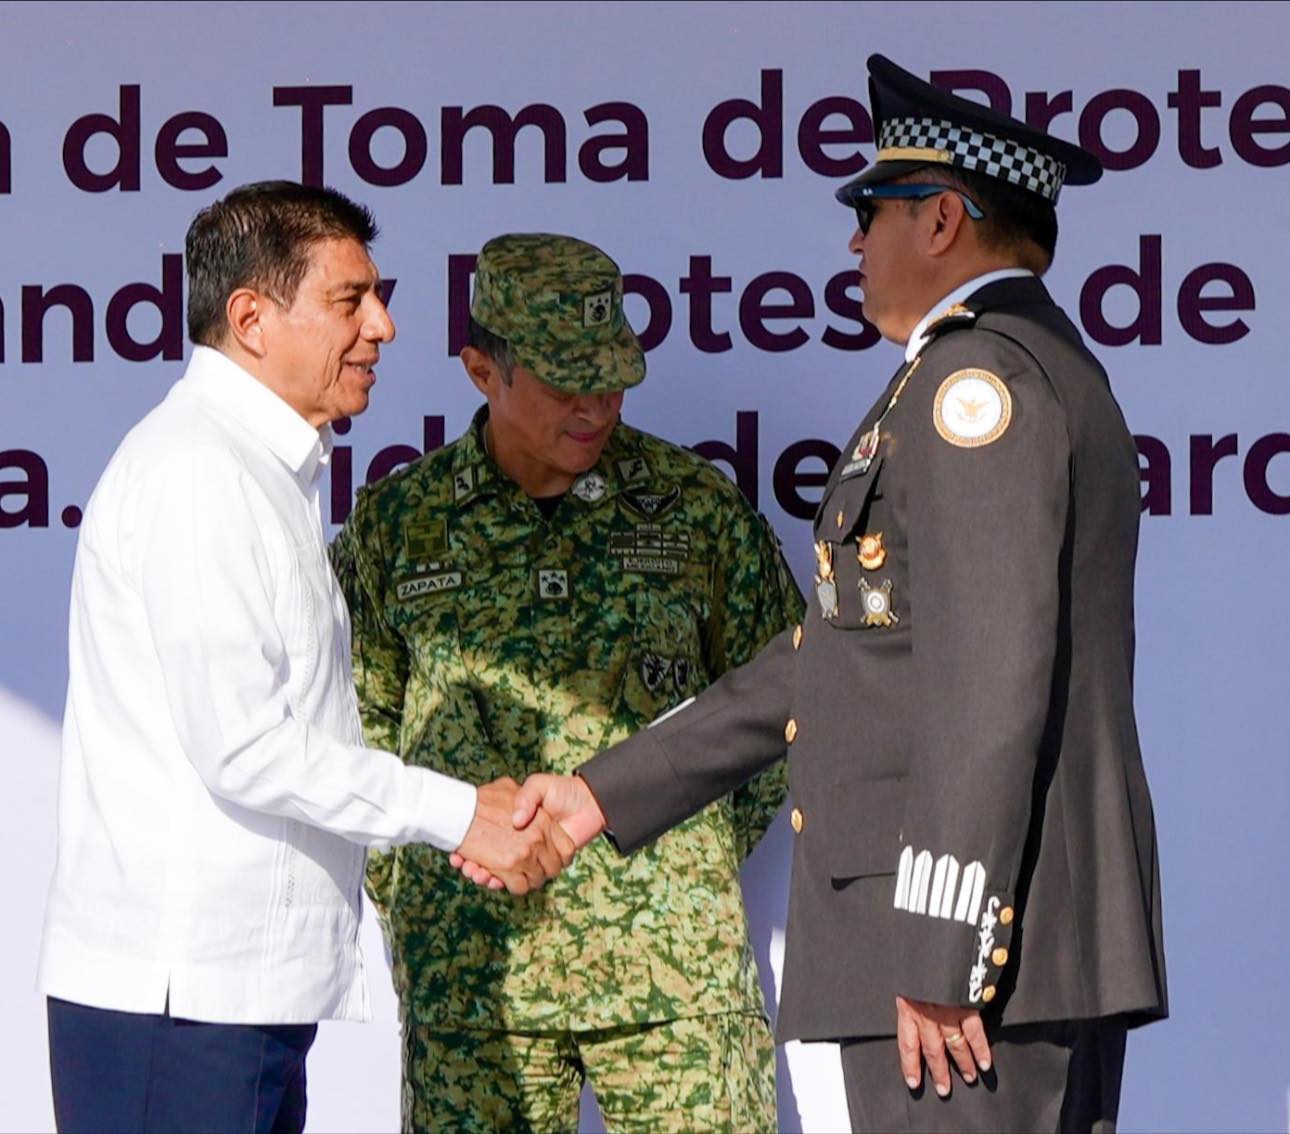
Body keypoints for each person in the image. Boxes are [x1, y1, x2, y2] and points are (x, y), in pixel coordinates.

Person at [498, 56, 1169, 1132]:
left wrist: (945, 947)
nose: (855, 242)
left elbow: (989, 676)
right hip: (989, 955)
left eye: (871, 210)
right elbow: (842, 650)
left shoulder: (974, 387)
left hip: (963, 968)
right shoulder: (996, 367)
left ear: (941, 219)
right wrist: (599, 794)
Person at [38, 182, 572, 1134]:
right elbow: (245, 746)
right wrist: (460, 814)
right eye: (349, 300)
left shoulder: (255, 468)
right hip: (182, 1002)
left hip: (228, 996)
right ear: (251, 319)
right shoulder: (198, 474)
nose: (384, 327)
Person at [330, 232, 804, 1133]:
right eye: (565, 383)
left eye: (612, 379)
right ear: (482, 370)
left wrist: (683, 852)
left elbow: (783, 696)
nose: (596, 407)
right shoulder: (399, 524)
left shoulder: (694, 509)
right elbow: (360, 725)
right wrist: (427, 892)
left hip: (676, 980)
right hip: (473, 986)